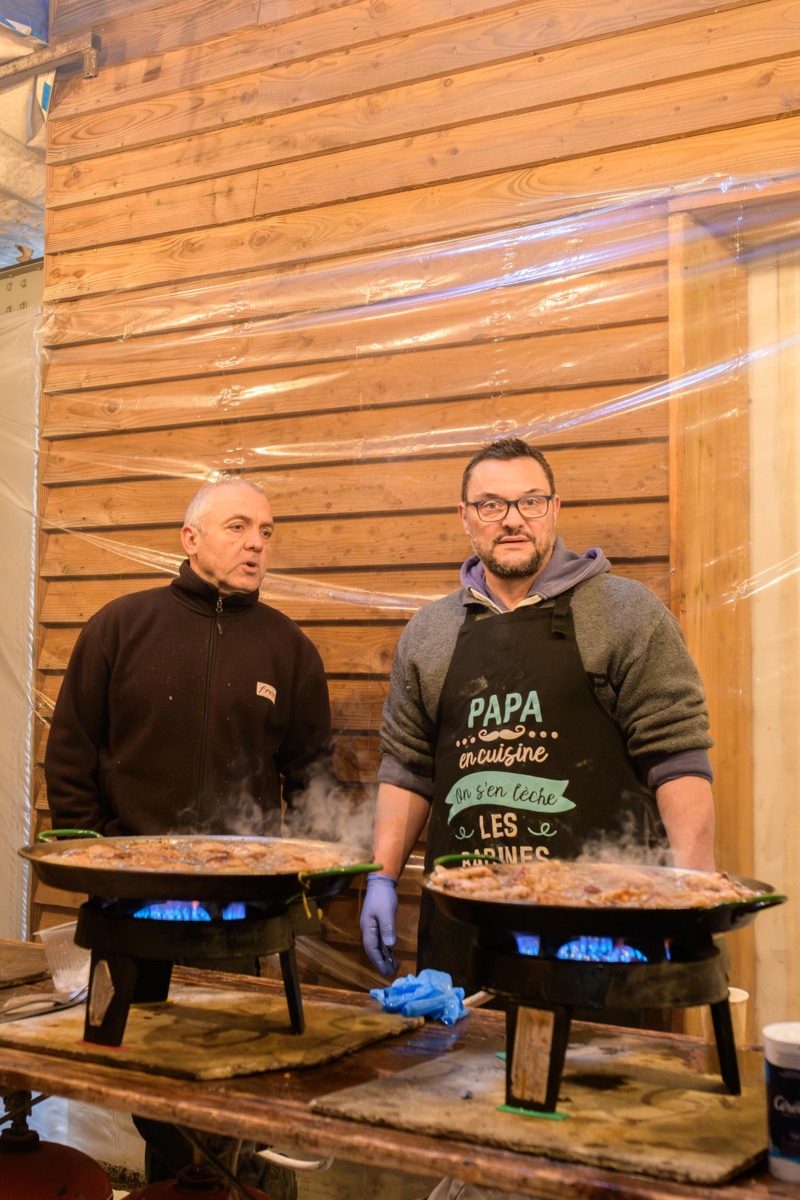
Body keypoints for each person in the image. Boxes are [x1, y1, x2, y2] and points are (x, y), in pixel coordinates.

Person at [45, 475, 332, 1197]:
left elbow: (311, 777)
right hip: (130, 907)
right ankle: (187, 1184)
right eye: (239, 527)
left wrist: (316, 872)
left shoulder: (289, 649)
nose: (256, 543)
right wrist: (92, 862)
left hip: (238, 914)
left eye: (266, 531)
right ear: (190, 537)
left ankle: (227, 1185)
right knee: (143, 1079)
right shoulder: (120, 626)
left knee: (231, 1080)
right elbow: (72, 753)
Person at [360, 437, 716, 984]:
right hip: (465, 926)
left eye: (530, 501)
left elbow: (678, 757)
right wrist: (382, 879)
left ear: (554, 508)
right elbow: (408, 768)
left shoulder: (626, 613)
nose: (512, 519)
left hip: (599, 925)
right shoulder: (429, 633)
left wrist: (693, 889)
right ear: (465, 516)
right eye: (490, 505)